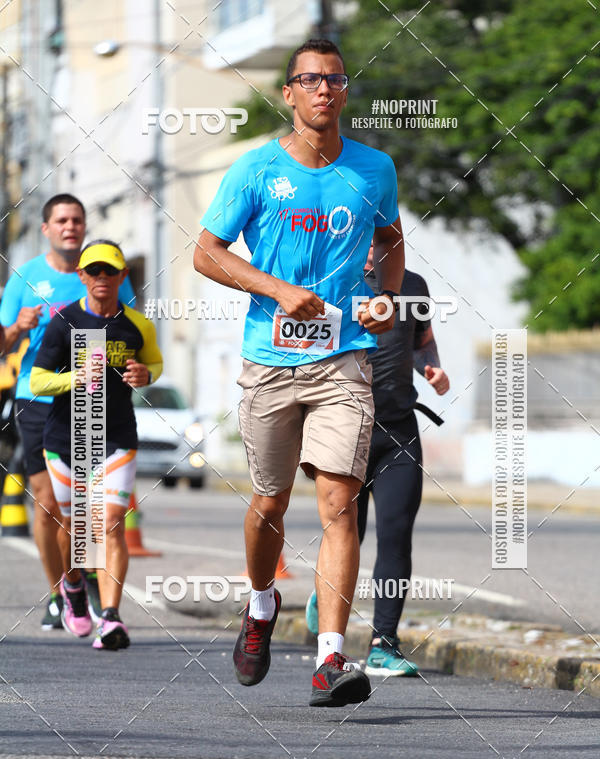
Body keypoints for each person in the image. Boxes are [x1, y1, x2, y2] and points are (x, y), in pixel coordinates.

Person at [194, 38, 405, 706]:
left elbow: (392, 242)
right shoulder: (255, 170)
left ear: (346, 92)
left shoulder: (375, 169)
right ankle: (261, 606)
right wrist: (277, 289)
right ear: (288, 94)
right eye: (310, 80)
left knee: (342, 505)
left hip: (344, 361)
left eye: (335, 80)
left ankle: (331, 658)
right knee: (268, 504)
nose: (324, 90)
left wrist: (383, 298)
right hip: (270, 364)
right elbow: (205, 254)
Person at [306, 244, 450, 676]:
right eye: (366, 233)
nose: (374, 246)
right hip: (345, 427)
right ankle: (326, 594)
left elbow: (423, 341)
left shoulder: (413, 285)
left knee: (395, 534)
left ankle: (383, 644)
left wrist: (432, 369)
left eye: (382, 234)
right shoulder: (328, 279)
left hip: (399, 429)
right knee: (349, 533)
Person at [0, 194, 136, 628]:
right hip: (37, 399)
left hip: (95, 402)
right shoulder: (26, 277)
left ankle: (85, 577)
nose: (70, 227)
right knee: (47, 505)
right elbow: (2, 342)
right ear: (46, 228)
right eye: (61, 220)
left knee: (91, 506)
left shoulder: (103, 272)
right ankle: (61, 590)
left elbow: (133, 330)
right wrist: (17, 327)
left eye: (77, 219)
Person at [30, 240, 162, 649]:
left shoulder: (139, 325)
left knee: (110, 524)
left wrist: (146, 374)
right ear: (82, 277)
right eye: (94, 271)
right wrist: (75, 378)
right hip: (67, 437)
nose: (102, 278)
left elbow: (154, 362)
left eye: (111, 271)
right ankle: (71, 585)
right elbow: (37, 381)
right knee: (74, 526)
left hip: (116, 435)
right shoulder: (62, 323)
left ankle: (111, 617)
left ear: (122, 276)